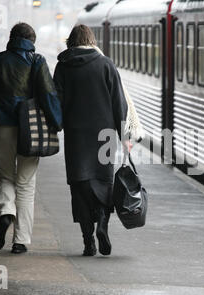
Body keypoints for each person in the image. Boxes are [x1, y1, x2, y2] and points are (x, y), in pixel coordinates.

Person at [0, 23, 62, 254]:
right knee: (26, 183)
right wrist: (57, 121)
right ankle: (20, 241)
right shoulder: (37, 61)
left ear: (11, 38)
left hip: (1, 126)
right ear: (32, 40)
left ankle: (6, 213)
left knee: (5, 176)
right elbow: (47, 94)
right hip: (30, 129)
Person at [53, 25, 131, 256]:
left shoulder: (63, 66)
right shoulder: (105, 64)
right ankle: (103, 225)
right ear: (91, 39)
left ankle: (88, 241)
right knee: (103, 184)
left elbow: (56, 101)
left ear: (71, 41)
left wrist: (57, 125)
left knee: (79, 187)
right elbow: (119, 103)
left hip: (76, 136)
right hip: (104, 136)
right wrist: (125, 136)